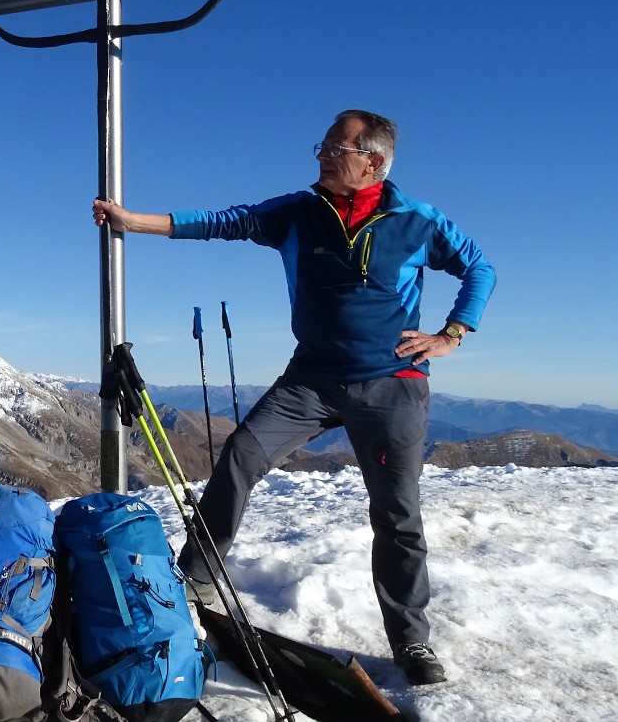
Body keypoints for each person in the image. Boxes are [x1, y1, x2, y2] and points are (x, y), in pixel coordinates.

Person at [91, 109, 495, 686]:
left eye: (336, 146)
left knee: (397, 516)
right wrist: (132, 222)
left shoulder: (417, 221)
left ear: (372, 161)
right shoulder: (300, 212)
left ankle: (412, 644)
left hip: (393, 385)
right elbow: (223, 221)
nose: (321, 155)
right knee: (240, 455)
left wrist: (453, 334)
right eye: (324, 144)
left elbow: (478, 267)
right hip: (310, 379)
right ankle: (197, 578)